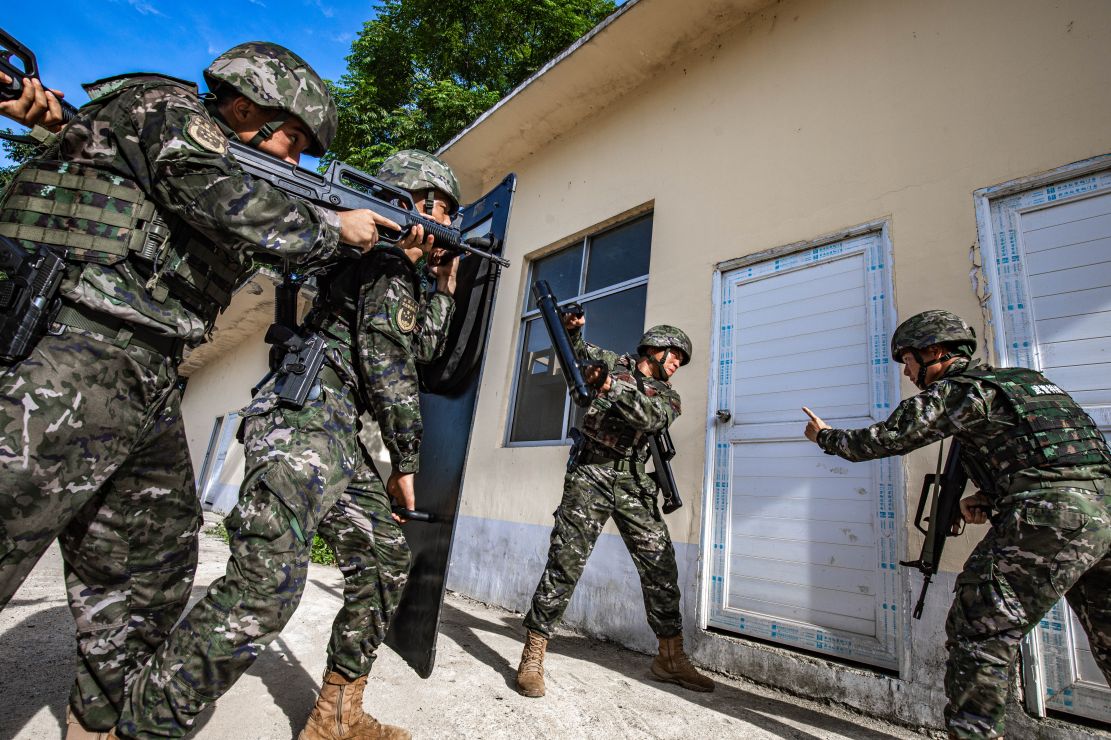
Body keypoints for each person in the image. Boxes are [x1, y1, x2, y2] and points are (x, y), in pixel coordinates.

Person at [0, 43, 396, 738]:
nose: (297, 162)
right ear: (244, 107)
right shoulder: (170, 108)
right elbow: (221, 196)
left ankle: (97, 725)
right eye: (293, 140)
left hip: (150, 378)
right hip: (70, 351)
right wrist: (333, 227)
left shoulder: (190, 146)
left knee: (150, 571)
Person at [120, 150, 462, 740]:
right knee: (267, 582)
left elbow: (421, 345)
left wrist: (444, 286)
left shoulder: (394, 269)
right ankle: (140, 724)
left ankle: (336, 716)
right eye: (446, 212)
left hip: (334, 431)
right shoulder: (380, 260)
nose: (450, 227)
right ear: (419, 204)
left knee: (385, 559)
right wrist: (405, 462)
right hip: (304, 422)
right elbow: (390, 364)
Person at [802, 310, 1111, 739]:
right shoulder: (1027, 384)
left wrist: (825, 436)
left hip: (1053, 518)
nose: (906, 372)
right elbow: (1053, 459)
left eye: (908, 361)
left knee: (980, 629)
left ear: (933, 351)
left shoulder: (962, 390)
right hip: (1102, 511)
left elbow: (886, 438)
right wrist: (991, 496)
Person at [516, 319, 715, 698]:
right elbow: (575, 354)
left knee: (660, 566)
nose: (678, 363)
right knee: (565, 561)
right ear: (654, 348)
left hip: (633, 482)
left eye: (681, 359)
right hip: (590, 473)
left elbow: (650, 417)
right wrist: (572, 332)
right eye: (675, 355)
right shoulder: (613, 363)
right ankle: (533, 654)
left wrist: (610, 386)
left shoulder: (668, 397)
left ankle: (670, 658)